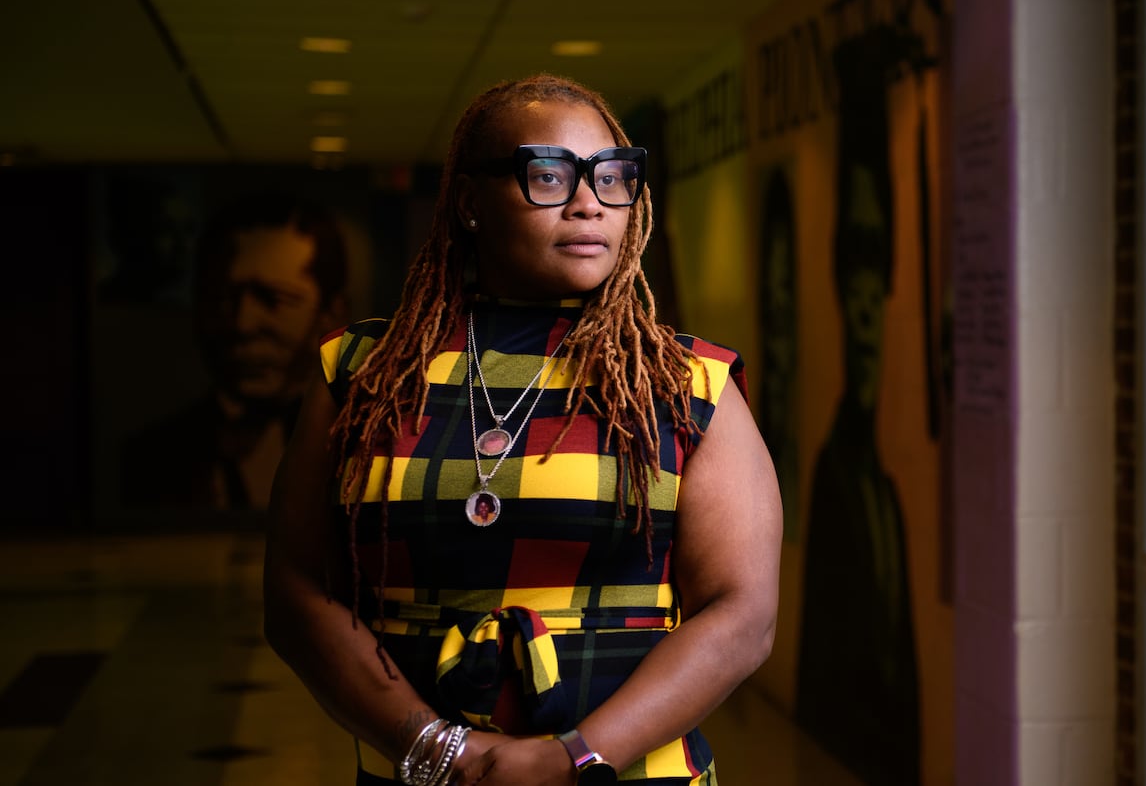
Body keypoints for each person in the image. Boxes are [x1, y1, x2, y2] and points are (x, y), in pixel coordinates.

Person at [264, 73, 780, 786]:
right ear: (471, 204)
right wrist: (441, 752)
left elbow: (741, 614)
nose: (588, 203)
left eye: (612, 177)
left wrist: (570, 757)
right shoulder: (362, 374)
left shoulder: (686, 383)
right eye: (548, 174)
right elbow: (296, 592)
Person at [122, 192, 349, 513]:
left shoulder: (363, 443)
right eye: (221, 298)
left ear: (332, 313)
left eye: (274, 299)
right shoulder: (148, 459)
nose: (242, 323)